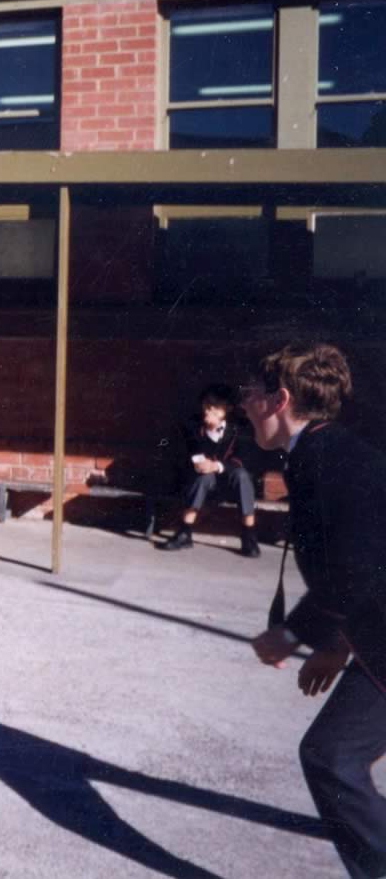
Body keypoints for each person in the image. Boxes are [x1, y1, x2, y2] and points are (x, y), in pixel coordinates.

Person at [246, 343, 386, 878]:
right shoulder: (326, 453)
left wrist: (292, 634)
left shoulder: (324, 461)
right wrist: (333, 644)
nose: (245, 405)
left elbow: (357, 567)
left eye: (251, 394)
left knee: (333, 758)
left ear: (279, 400)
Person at [158, 383, 261, 556]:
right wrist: (200, 457)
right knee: (204, 477)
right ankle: (184, 532)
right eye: (206, 404)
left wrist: (217, 466)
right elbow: (185, 450)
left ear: (227, 408)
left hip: (229, 484)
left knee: (242, 476)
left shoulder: (240, 429)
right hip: (200, 482)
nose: (209, 409)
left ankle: (248, 535)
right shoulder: (193, 425)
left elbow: (243, 460)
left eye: (215, 406)